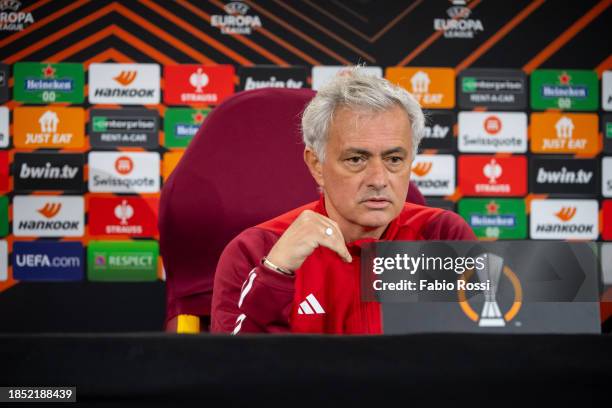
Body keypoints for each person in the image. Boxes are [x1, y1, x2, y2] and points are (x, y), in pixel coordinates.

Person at [211, 66, 475, 334]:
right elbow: (236, 370)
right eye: (356, 159)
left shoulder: (442, 236)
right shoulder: (257, 250)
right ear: (317, 165)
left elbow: (482, 359)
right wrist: (275, 275)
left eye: (394, 159)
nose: (379, 179)